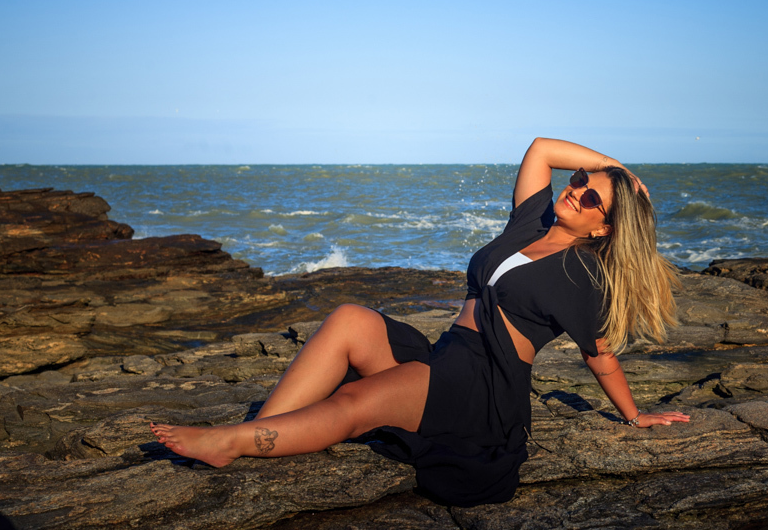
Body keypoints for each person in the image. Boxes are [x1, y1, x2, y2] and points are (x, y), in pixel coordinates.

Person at [150, 137, 689, 506]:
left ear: (603, 229)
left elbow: (600, 356)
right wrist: (621, 171)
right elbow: (541, 148)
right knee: (349, 319)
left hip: (481, 390)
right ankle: (266, 429)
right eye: (579, 180)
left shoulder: (581, 276)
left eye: (591, 195)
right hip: (446, 355)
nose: (574, 189)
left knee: (353, 406)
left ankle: (232, 444)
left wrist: (635, 415)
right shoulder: (533, 220)